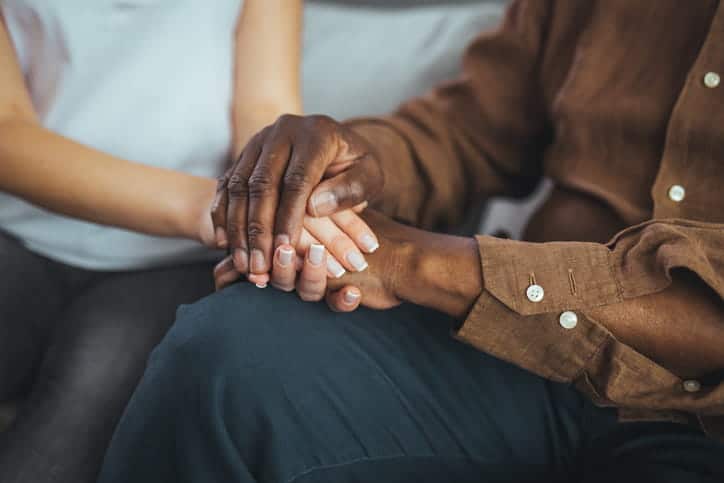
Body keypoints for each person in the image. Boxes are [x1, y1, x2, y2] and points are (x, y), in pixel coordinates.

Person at [99, 1, 724, 482]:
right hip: (518, 365)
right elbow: (474, 132)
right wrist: (346, 170)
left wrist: (413, 262)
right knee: (228, 347)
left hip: (699, 420)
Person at [0, 1, 377, 482]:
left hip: (174, 260)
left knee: (85, 400)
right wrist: (213, 205)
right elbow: (5, 131)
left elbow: (264, 113)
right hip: (20, 229)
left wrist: (283, 207)